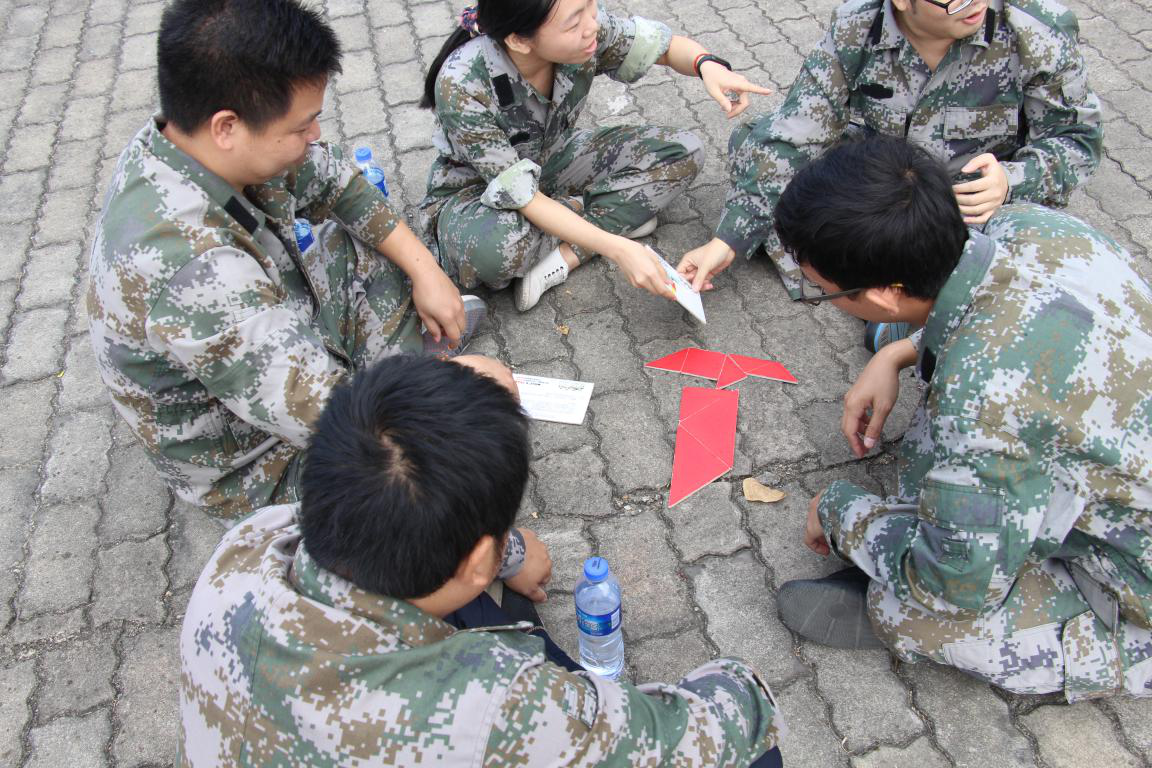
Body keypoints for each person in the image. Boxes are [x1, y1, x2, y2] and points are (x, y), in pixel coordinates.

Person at [179, 355, 786, 766]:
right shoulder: (498, 708)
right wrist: (739, 682)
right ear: (477, 561)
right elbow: (709, 730)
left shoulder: (249, 544)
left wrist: (507, 552)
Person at [87, 0, 515, 518]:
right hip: (260, 462)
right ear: (227, 127)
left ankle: (403, 360)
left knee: (369, 247)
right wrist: (457, 391)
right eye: (301, 126)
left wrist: (427, 272)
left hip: (268, 343)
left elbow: (338, 184)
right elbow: (334, 418)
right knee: (445, 458)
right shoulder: (190, 267)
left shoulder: (185, 139)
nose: (314, 136)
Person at [772, 136, 1152, 702]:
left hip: (1134, 565)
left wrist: (840, 512)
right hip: (1104, 437)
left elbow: (952, 587)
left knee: (914, 612)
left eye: (823, 290)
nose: (820, 296)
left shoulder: (982, 405)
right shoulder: (1030, 225)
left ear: (886, 295)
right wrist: (898, 352)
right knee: (933, 453)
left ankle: (1122, 648)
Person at [676, 0, 1103, 312]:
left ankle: (899, 302)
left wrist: (1013, 179)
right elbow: (796, 134)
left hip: (966, 207)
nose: (975, 4)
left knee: (1009, 271)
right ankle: (884, 292)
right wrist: (728, 240)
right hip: (880, 187)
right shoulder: (856, 26)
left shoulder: (1036, 27)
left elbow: (1077, 139)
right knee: (755, 141)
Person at [418, 0, 773, 311]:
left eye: (589, 5)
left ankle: (565, 256)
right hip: (477, 194)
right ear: (519, 40)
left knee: (683, 152)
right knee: (494, 252)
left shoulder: (587, 28)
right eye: (574, 23)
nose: (592, 25)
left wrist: (706, 65)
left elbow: (663, 48)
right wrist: (619, 249)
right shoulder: (462, 83)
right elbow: (522, 196)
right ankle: (614, 215)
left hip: (549, 160)